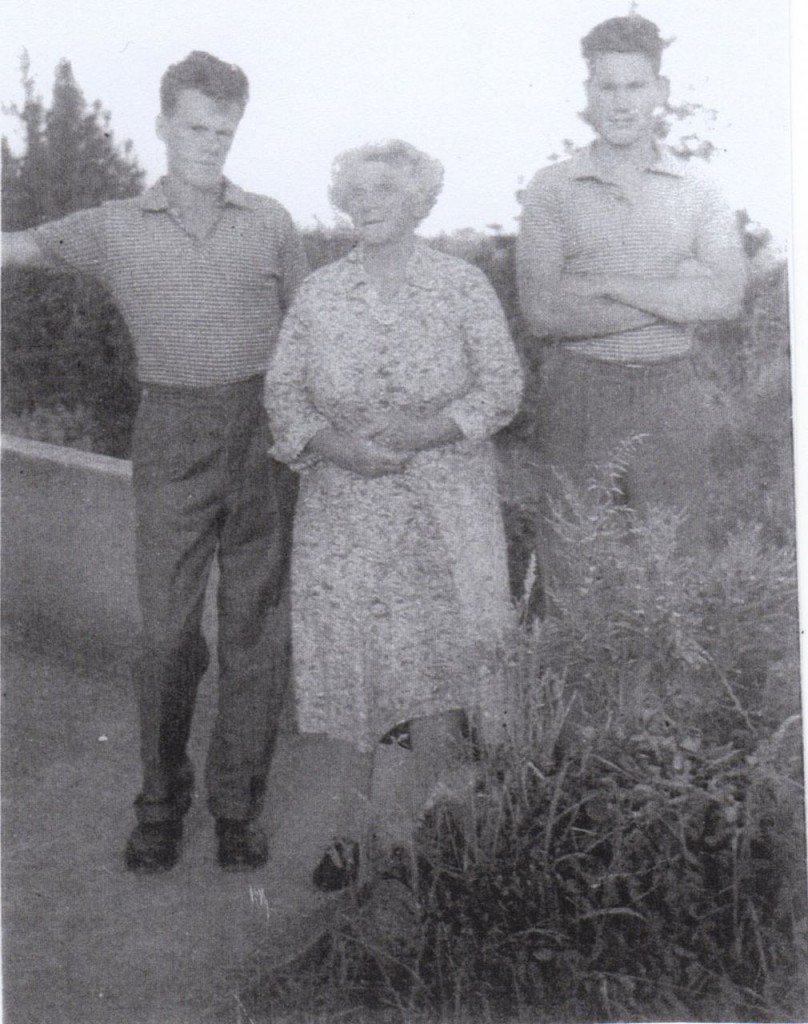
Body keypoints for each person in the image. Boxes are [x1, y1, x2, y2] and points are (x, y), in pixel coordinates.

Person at [2, 51, 308, 872]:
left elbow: (310, 337)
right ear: (164, 124)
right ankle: (160, 805)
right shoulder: (112, 225)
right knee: (167, 635)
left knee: (254, 631)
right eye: (196, 127)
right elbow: (17, 247)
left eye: (225, 130)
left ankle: (238, 807)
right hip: (170, 429)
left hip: (261, 434)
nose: (211, 144)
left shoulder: (271, 220)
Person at [264, 139, 522, 890]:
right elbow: (284, 394)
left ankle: (410, 835)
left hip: (442, 511)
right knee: (356, 678)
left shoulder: (462, 285)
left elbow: (503, 386)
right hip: (344, 517)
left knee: (436, 673)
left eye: (387, 188)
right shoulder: (319, 294)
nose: (369, 200)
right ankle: (351, 833)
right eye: (358, 188)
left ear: (419, 201)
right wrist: (333, 444)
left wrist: (426, 431)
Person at [516, 15, 747, 604]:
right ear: (588, 93)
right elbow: (543, 312)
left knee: (672, 560)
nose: (621, 103)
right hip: (580, 388)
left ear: (660, 92)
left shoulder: (701, 188)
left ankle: (661, 698)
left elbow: (725, 296)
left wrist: (603, 284)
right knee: (573, 556)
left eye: (636, 86)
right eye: (607, 87)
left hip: (672, 389)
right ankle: (581, 696)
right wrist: (672, 294)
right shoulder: (552, 187)